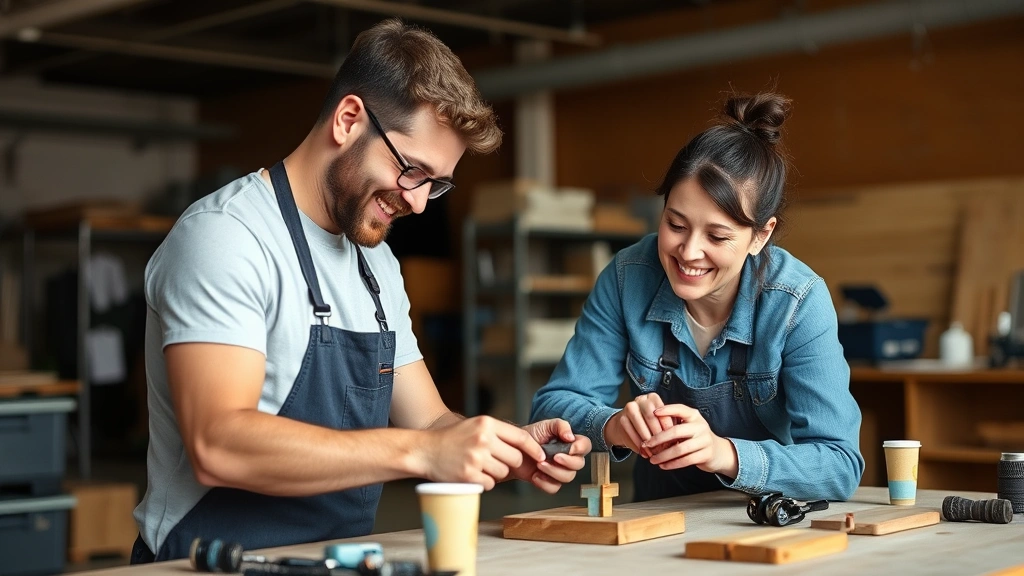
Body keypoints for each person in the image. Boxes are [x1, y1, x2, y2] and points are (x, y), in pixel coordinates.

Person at [132, 19, 591, 562]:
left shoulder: (376, 262)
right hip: (209, 564)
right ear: (349, 120)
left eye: (436, 184)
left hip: (334, 562)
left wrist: (503, 444)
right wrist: (424, 452)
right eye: (411, 170)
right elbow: (218, 444)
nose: (419, 202)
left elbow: (430, 421)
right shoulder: (226, 238)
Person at [530, 91, 863, 503]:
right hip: (655, 519)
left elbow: (839, 464)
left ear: (761, 235)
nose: (688, 253)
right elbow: (550, 412)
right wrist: (614, 425)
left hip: (758, 520)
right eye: (676, 224)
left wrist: (722, 453)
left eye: (718, 236)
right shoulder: (626, 278)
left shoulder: (796, 302)